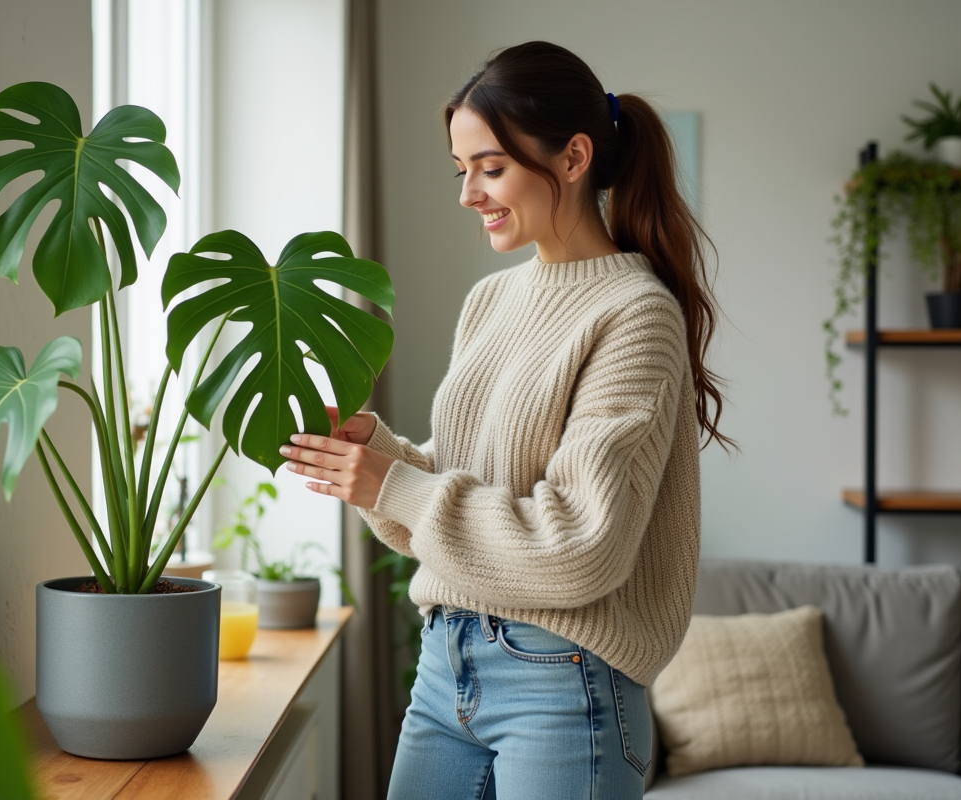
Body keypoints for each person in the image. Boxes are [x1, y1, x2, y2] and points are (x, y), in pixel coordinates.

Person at [278, 40, 733, 800]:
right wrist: (383, 460)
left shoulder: (636, 315)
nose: (469, 195)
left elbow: (581, 546)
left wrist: (396, 486)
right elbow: (467, 489)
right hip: (444, 660)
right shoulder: (489, 300)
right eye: (462, 171)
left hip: (564, 680)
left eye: (491, 168)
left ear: (574, 157)